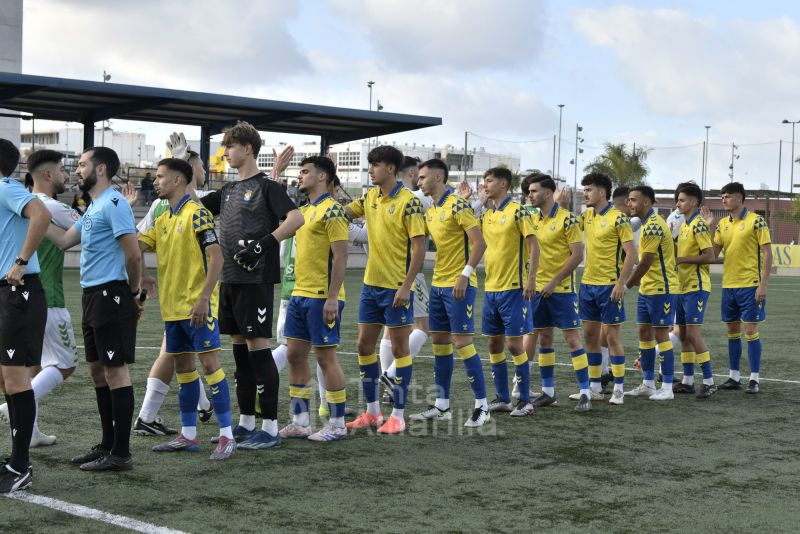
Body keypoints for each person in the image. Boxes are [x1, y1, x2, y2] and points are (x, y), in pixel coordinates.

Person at [199, 121, 304, 450]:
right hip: (229, 279)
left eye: (230, 146)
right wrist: (184, 166)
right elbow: (195, 206)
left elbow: (296, 218)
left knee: (259, 354)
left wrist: (262, 244)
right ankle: (246, 422)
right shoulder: (228, 190)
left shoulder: (266, 187)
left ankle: (270, 427)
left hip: (255, 280)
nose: (226, 152)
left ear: (248, 148)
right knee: (241, 357)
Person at [46, 146, 142, 471]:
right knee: (98, 372)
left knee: (115, 371)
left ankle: (121, 453)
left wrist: (133, 292)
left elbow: (133, 255)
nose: (77, 170)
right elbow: (62, 241)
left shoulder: (114, 203)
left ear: (100, 169)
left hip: (111, 294)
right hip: (92, 295)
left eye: (83, 164)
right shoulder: (94, 207)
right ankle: (107, 444)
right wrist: (32, 213)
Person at [138, 158, 236, 459]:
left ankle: (226, 435)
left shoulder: (198, 214)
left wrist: (205, 298)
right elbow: (135, 245)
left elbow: (217, 258)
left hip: (198, 307)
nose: (155, 182)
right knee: (184, 369)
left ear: (178, 180)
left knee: (209, 365)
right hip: (172, 309)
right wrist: (142, 274)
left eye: (160, 176)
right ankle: (188, 435)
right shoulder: (163, 216)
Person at [343, 145, 425, 435]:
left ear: (390, 168)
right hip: (370, 286)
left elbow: (419, 249)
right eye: (370, 165)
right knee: (363, 346)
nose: (370, 170)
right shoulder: (369, 198)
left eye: (375, 165)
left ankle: (398, 415)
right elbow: (343, 213)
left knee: (401, 349)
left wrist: (406, 285)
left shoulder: (409, 202)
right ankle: (372, 413)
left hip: (396, 289)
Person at [0, 150, 79, 448]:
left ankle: (29, 432)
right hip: (43, 295)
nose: (67, 174)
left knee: (28, 367)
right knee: (65, 365)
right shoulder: (48, 206)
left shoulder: (13, 200)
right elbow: (84, 230)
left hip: (17, 293)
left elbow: (61, 240)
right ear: (48, 174)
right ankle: (16, 408)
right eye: (62, 169)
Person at [408, 159, 490, 426]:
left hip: (459, 286)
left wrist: (464, 276)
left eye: (422, 178)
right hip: (439, 284)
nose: (419, 182)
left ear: (438, 177)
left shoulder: (456, 204)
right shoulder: (432, 209)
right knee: (440, 343)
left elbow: (480, 243)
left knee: (463, 343)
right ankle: (442, 406)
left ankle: (482, 406)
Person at [279, 156, 349, 442]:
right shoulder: (303, 210)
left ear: (322, 177)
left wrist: (333, 298)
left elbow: (341, 256)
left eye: (305, 172)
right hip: (299, 294)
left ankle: (337, 423)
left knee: (325, 357)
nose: (300, 176)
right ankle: (300, 421)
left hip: (323, 297)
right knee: (295, 355)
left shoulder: (333, 210)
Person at [0, 139, 50, 493]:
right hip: (7, 293)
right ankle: (14, 461)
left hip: (18, 294)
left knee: (16, 380)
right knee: (5, 380)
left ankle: (20, 466)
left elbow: (42, 215)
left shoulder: (5, 187)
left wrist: (20, 261)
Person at [527, 173, 591, 411]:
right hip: (536, 290)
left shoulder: (568, 220)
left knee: (573, 340)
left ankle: (585, 392)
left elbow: (577, 256)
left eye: (534, 191)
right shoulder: (531, 219)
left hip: (562, 290)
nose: (530, 195)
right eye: (529, 191)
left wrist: (553, 282)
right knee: (544, 338)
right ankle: (548, 391)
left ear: (547, 192)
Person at [480, 168, 539, 417]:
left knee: (515, 345)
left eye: (489, 181)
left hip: (513, 288)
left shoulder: (518, 211)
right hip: (490, 289)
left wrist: (531, 279)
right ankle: (503, 398)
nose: (485, 185)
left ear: (503, 184)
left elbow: (534, 246)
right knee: (494, 344)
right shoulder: (488, 214)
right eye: (484, 181)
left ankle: (525, 401)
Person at [576, 172, 636, 406]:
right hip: (587, 285)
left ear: (601, 192)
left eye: (589, 189)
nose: (585, 193)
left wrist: (621, 283)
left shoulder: (618, 218)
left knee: (612, 337)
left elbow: (632, 253)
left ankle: (619, 389)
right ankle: (594, 387)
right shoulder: (586, 216)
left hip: (609, 287)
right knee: (590, 337)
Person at [709, 182, 771, 394]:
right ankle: (734, 376)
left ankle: (754, 379)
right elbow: (712, 254)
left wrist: (763, 284)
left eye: (727, 196)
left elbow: (767, 254)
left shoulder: (756, 221)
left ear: (739, 198)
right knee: (732, 331)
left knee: (751, 330)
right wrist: (709, 225)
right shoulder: (722, 224)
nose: (724, 200)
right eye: (722, 196)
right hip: (729, 286)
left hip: (750, 285)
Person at [378, 156, 430, 405]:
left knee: (390, 330)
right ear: (410, 173)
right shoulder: (416, 199)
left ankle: (388, 387)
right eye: (420, 175)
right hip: (409, 273)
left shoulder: (383, 199)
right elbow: (454, 210)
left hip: (384, 272)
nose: (422, 180)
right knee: (422, 327)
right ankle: (389, 375)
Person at [624, 185, 678, 401]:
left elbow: (646, 261)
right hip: (648, 289)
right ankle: (647, 383)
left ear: (646, 202)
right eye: (628, 200)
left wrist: (626, 285)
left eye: (633, 200)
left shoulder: (653, 226)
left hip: (661, 289)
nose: (629, 204)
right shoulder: (646, 225)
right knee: (644, 334)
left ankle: (667, 387)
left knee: (661, 336)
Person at [673, 182, 718, 399]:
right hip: (682, 288)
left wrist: (682, 259)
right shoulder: (684, 224)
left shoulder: (698, 225)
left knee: (692, 333)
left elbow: (710, 256)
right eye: (678, 200)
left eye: (681, 200)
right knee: (683, 335)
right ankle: (688, 381)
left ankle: (709, 381)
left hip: (697, 287)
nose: (678, 203)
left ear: (693, 202)